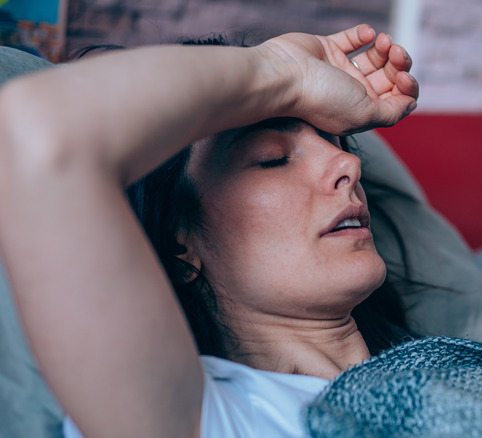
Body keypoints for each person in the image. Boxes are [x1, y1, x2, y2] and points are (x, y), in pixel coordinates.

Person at [0, 24, 418, 437]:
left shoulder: (444, 369)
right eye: (272, 159)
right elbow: (36, 131)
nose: (349, 166)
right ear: (179, 246)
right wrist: (282, 69)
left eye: (339, 145)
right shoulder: (193, 417)